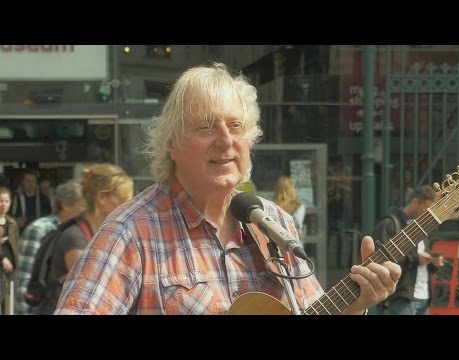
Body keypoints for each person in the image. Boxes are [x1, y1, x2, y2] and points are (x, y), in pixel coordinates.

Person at [55, 62, 400, 315]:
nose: (226, 141)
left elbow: (311, 309)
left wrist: (356, 304)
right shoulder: (131, 230)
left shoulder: (272, 222)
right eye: (206, 127)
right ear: (172, 144)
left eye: (236, 126)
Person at [35, 163, 133, 314]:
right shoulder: (75, 237)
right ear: (101, 198)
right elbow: (89, 289)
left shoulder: (98, 233)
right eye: (122, 198)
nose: (128, 204)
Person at [15, 179, 86, 315]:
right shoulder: (40, 229)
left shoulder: (83, 232)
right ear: (66, 205)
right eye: (83, 205)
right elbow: (26, 278)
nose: (87, 210)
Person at [371, 185, 444, 315]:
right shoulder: (390, 224)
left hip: (424, 296)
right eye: (425, 209)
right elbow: (380, 260)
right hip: (401, 298)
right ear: (415, 202)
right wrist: (417, 259)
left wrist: (434, 262)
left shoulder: (422, 227)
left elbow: (422, 264)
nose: (427, 214)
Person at [9, 169, 52, 233]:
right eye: (28, 181)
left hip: (38, 233)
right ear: (22, 182)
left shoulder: (44, 199)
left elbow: (49, 218)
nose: (31, 184)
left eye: (33, 181)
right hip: (18, 234)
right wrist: (14, 221)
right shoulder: (13, 197)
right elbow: (4, 216)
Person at [0, 186, 20, 314]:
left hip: (12, 268)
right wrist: (2, 258)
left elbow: (16, 245)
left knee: (11, 303)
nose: (3, 204)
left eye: (6, 201)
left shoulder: (12, 223)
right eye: (0, 201)